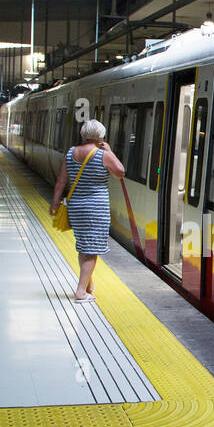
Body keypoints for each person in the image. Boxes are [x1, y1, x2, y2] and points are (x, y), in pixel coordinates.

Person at [50, 120, 124, 302]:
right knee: (91, 250)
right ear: (100, 135)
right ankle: (81, 291)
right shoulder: (102, 155)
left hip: (76, 207)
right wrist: (109, 151)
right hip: (96, 209)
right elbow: (120, 172)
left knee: (85, 246)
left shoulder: (71, 153)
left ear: (83, 134)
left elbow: (61, 180)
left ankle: (88, 285)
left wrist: (54, 202)